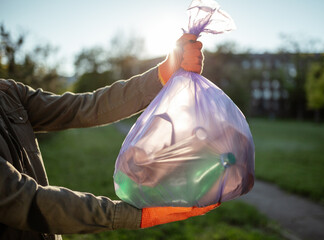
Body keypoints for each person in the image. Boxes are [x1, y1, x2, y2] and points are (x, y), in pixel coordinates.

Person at [0, 33, 219, 240]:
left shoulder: (8, 93)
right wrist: (134, 215)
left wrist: (163, 73)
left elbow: (84, 107)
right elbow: (23, 200)